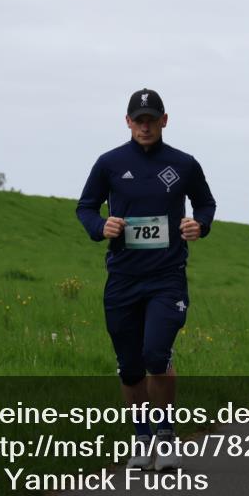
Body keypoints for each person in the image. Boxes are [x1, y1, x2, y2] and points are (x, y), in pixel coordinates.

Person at [76, 88, 216, 471]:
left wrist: (199, 224)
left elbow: (205, 203)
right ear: (127, 122)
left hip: (167, 277)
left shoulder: (184, 164)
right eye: (138, 120)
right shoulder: (109, 163)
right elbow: (86, 207)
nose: (145, 126)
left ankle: (166, 434)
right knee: (130, 366)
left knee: (156, 354)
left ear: (164, 120)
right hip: (123, 277)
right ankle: (142, 437)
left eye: (152, 119)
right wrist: (100, 226)